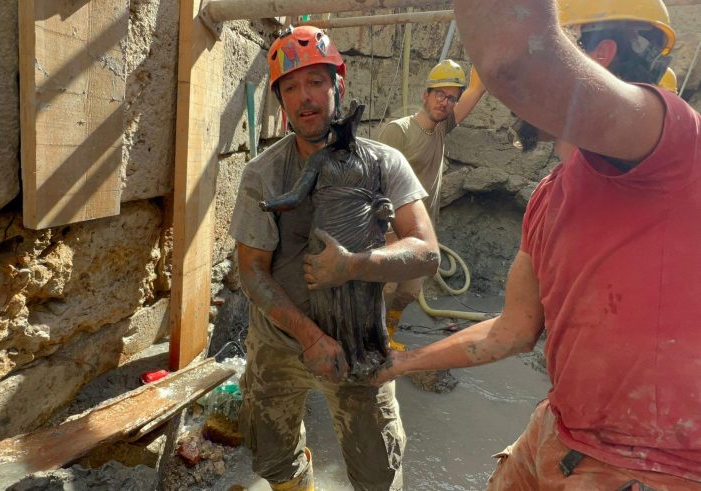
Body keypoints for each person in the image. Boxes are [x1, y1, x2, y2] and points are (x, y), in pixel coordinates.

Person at [375, 0, 701, 489]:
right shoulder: (551, 196)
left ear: (601, 54)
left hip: (649, 467)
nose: (512, 101)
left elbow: (516, 65)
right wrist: (399, 363)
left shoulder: (674, 145)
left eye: (558, 46)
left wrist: (508, 60)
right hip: (561, 427)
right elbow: (513, 329)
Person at [229, 25, 439, 491]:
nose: (304, 97)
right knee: (272, 457)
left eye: (315, 82)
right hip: (279, 342)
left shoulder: (383, 162)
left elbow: (427, 252)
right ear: (280, 102)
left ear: (338, 85)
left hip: (358, 342)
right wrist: (309, 337)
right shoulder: (264, 174)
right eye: (290, 87)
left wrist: (353, 265)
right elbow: (252, 270)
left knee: (378, 472)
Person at [377, 60, 486, 351]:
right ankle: (372, 339)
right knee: (386, 288)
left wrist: (485, 67)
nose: (445, 102)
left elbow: (476, 90)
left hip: (421, 232)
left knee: (410, 291)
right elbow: (376, 184)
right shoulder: (398, 131)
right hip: (393, 230)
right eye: (440, 94)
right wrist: (387, 232)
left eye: (451, 98)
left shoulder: (441, 128)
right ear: (425, 95)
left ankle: (388, 334)